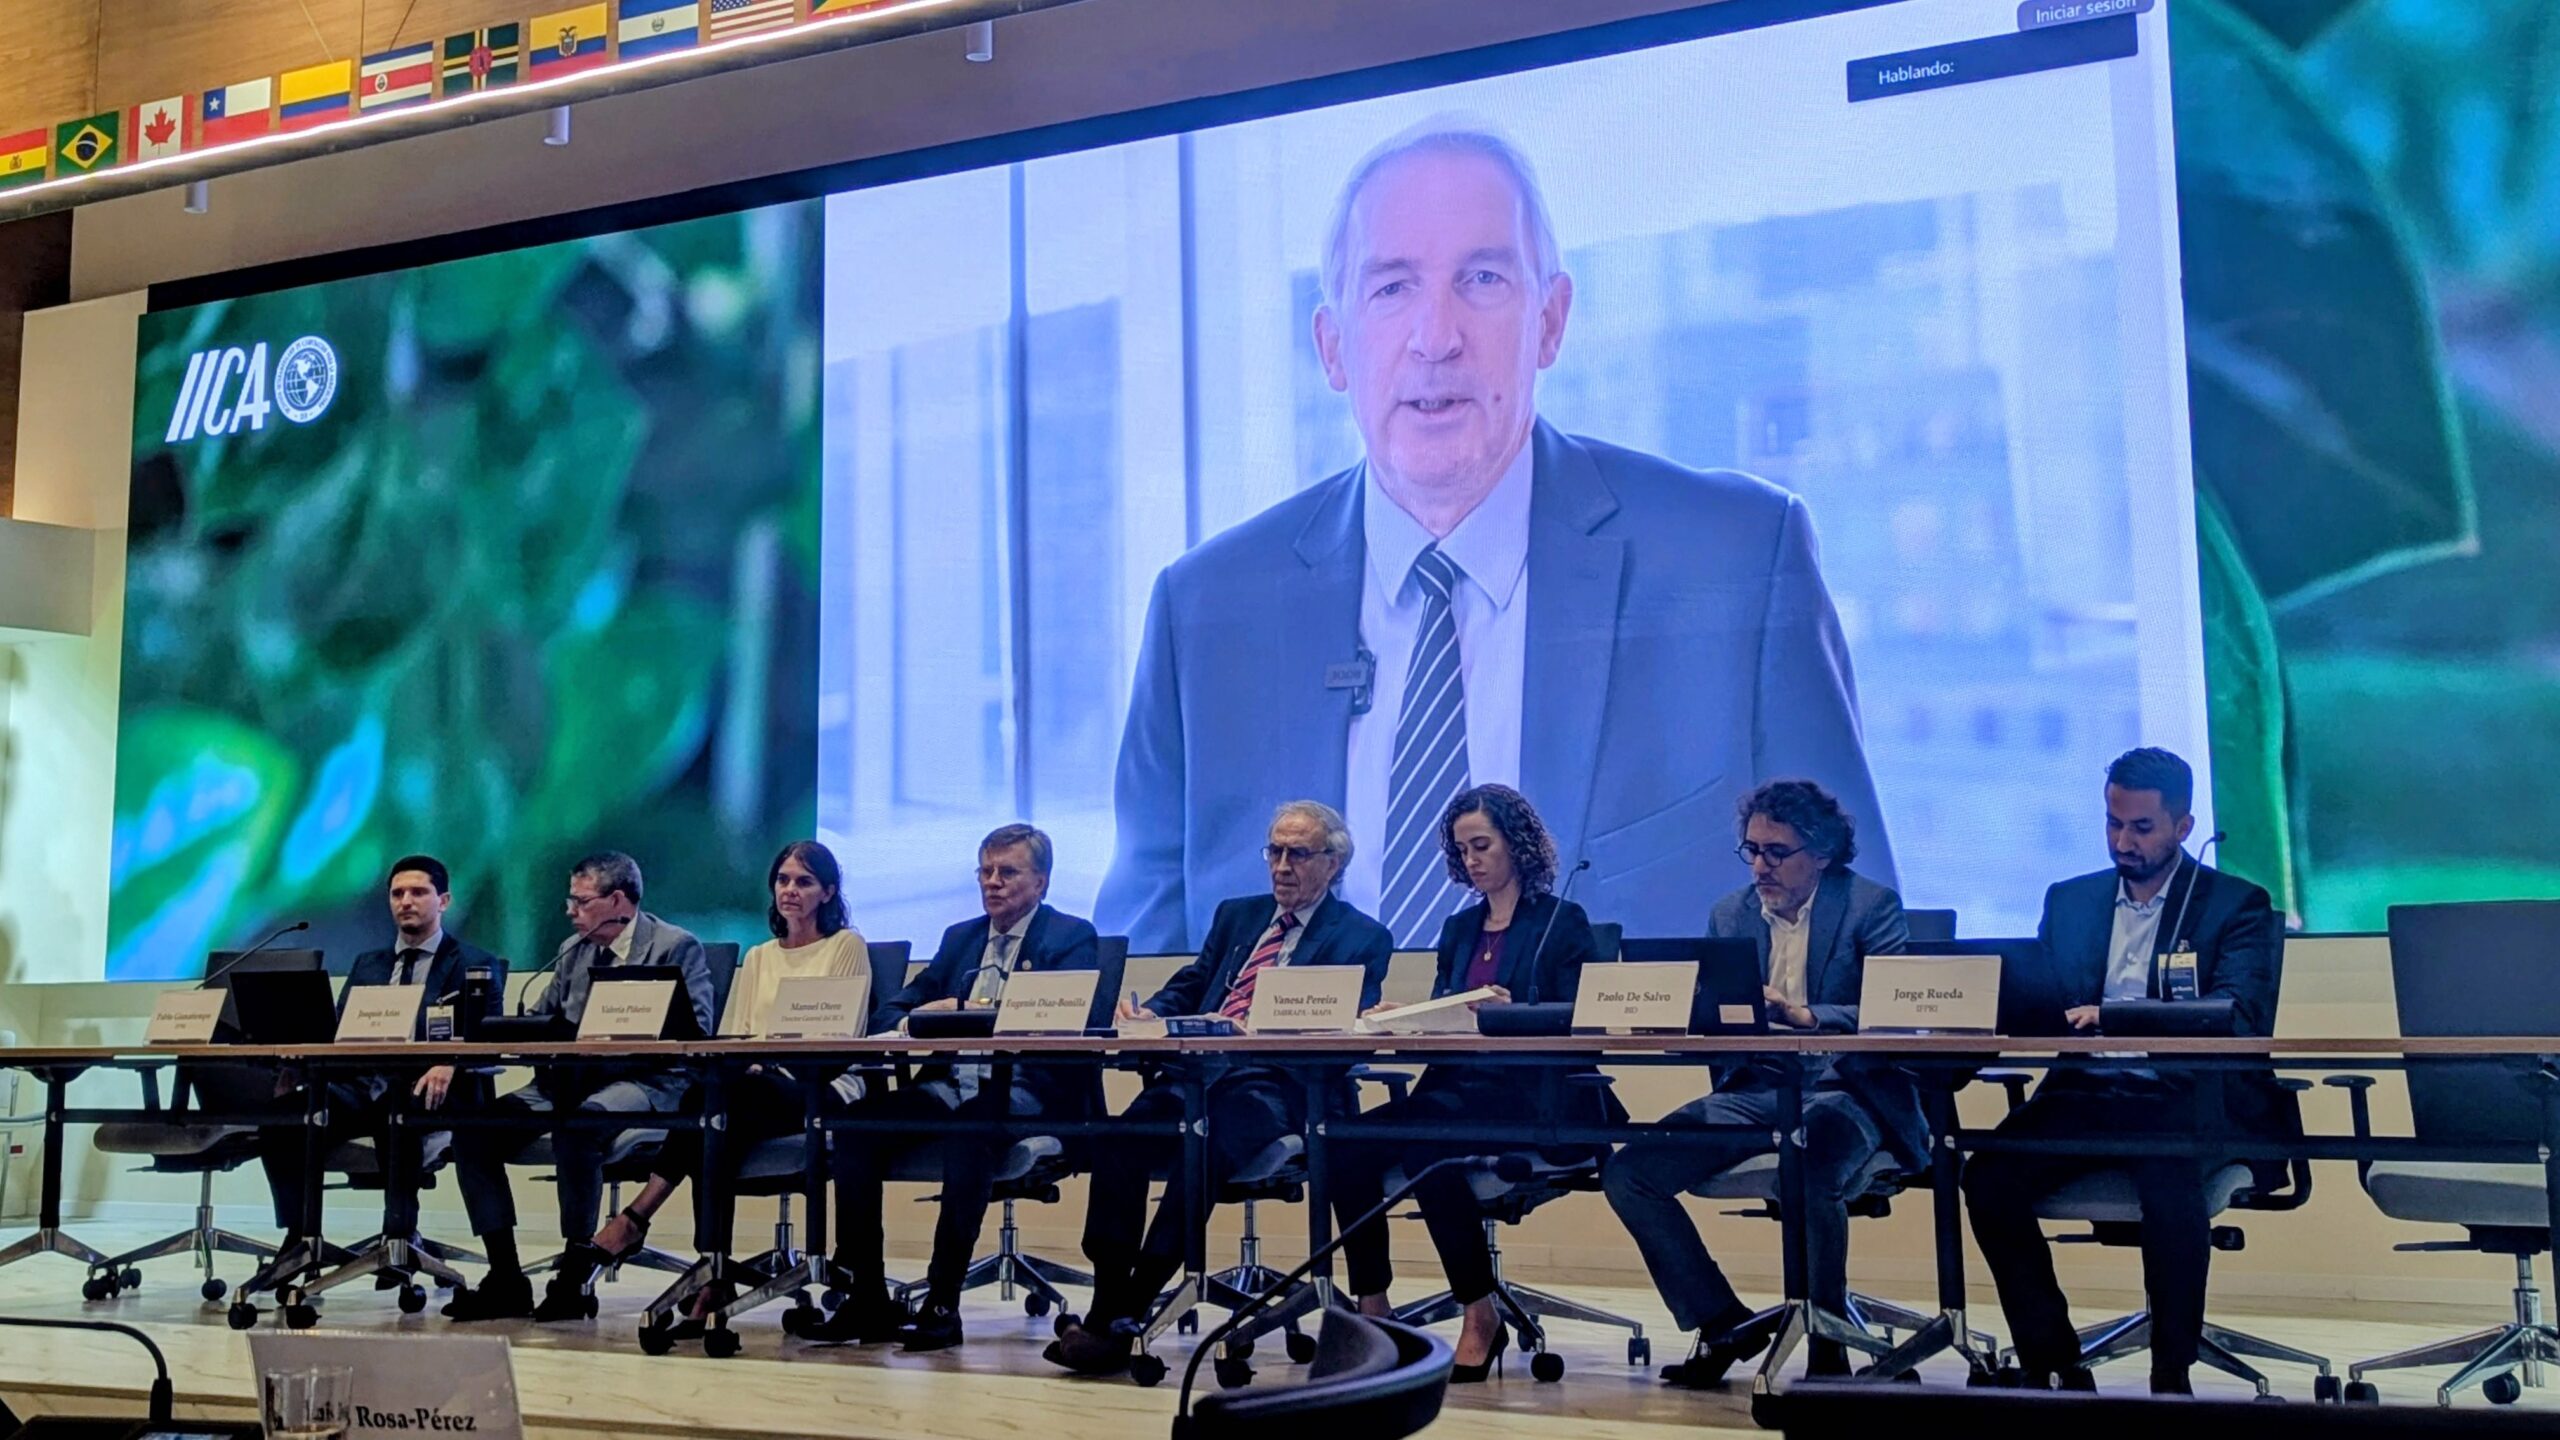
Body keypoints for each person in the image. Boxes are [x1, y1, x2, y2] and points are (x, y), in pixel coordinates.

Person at [1096, 116, 1888, 953]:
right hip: (1281, 1087)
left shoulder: (1740, 554)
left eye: (1481, 278)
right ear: (1333, 347)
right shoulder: (1203, 612)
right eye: (1392, 287)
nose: (1435, 338)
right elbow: (1131, 989)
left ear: (1551, 321)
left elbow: (1860, 946)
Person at [1963, 747, 2281, 1396]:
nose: (2122, 842)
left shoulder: (2234, 905)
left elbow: (2240, 1014)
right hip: (2085, 1089)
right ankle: (2051, 1356)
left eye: (2141, 828)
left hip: (2184, 1091)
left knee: (2167, 1183)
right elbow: (2044, 997)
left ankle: (2172, 1372)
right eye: (2113, 824)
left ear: (2183, 827)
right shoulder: (2072, 899)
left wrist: (2114, 1014)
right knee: (1988, 1175)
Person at [1047, 800, 1393, 1376]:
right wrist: (1150, 1014)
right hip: (1194, 1075)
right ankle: (1109, 1299)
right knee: (1114, 1142)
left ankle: (1129, 1310)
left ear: (1333, 864)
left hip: (1274, 1089)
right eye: (1274, 852)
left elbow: (1347, 1022)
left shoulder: (1362, 936)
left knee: (1200, 1151)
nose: (1281, 866)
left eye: (1297, 854)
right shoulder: (1239, 915)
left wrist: (1261, 1025)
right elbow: (1191, 986)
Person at [1601, 780, 1917, 1385]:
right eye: (1751, 850)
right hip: (1755, 1091)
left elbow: (1892, 1008)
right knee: (1630, 1173)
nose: (1760, 865)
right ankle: (1723, 1323)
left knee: (1811, 1165)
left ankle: (1830, 1348)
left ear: (1821, 853)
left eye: (1776, 852)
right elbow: (1720, 1013)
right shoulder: (1731, 913)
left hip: (1846, 1091)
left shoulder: (1869, 906)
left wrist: (1808, 1017)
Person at [1329, 784, 1612, 1383]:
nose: (1472, 859)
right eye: (1462, 850)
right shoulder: (1459, 929)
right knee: (1342, 1143)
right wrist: (1407, 1019)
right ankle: (1374, 1311)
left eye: (1482, 845)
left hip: (1531, 1096)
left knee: (1428, 1147)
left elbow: (1582, 1018)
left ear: (1518, 845)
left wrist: (1513, 1012)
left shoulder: (1563, 923)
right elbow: (1448, 1014)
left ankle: (1478, 1311)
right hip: (1456, 1089)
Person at [806, 823, 1101, 1351]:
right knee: (855, 1128)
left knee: (970, 1129)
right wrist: (921, 1013)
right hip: (949, 1084)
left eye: (1007, 872)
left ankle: (942, 1303)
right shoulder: (959, 938)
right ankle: (867, 1297)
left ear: (1042, 882)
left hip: (1029, 1089)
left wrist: (967, 1012)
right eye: (985, 872)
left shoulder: (1070, 936)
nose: (993, 882)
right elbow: (899, 1005)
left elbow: (1066, 1015)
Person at [566, 840, 868, 1330]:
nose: (790, 890)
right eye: (784, 880)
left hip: (821, 1086)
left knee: (715, 1104)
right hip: (755, 1087)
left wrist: (763, 1063)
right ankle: (713, 1271)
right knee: (713, 1116)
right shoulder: (762, 954)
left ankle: (642, 1218)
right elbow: (732, 1032)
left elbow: (840, 1034)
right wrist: (747, 1061)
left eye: (804, 882)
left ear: (829, 892)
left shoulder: (844, 946)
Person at [443, 851, 715, 1321]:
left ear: (616, 900)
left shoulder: (675, 945)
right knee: (474, 1132)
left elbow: (699, 1030)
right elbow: (543, 1018)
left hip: (644, 1080)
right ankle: (505, 1275)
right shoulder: (574, 949)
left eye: (580, 900)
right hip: (566, 1080)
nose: (570, 910)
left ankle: (574, 1270)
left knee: (580, 1127)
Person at [253, 856, 507, 1270]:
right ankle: (299, 1237)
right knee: (281, 1119)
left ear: (443, 901)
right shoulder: (368, 964)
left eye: (418, 892)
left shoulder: (473, 962)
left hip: (422, 1089)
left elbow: (487, 1040)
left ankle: (402, 1235)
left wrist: (451, 1061)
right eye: (397, 894)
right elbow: (338, 1033)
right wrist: (298, 1067)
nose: (406, 901)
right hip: (361, 1084)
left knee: (396, 1115)